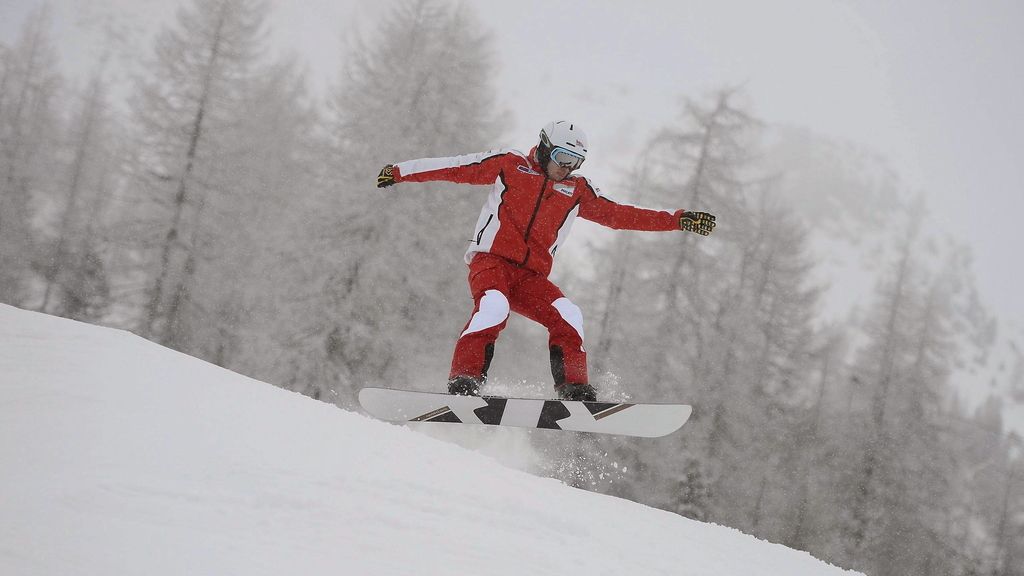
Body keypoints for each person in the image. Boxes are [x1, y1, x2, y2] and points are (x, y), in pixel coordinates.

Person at [376, 121, 715, 402]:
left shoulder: (577, 189)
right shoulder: (510, 165)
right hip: (490, 262)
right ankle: (464, 381)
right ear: (544, 147)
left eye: (576, 161)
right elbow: (455, 167)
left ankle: (573, 387)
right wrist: (400, 171)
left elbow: (619, 215)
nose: (568, 168)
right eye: (564, 157)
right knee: (493, 307)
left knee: (568, 314)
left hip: (530, 276)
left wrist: (677, 219)